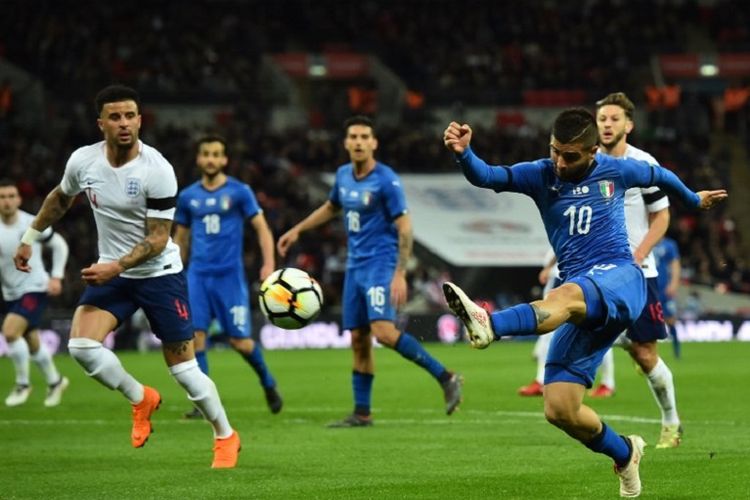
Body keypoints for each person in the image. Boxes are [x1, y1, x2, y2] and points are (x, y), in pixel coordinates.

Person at [442, 108, 726, 497]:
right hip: (584, 293)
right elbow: (488, 176)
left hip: (623, 279)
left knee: (565, 295)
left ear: (593, 151)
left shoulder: (618, 170)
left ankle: (491, 324)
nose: (560, 161)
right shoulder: (541, 173)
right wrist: (463, 153)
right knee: (559, 408)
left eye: (571, 156)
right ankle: (625, 453)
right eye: (556, 151)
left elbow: (660, 177)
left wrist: (693, 200)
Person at [13, 85, 240, 468]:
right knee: (82, 348)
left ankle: (225, 435)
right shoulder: (84, 161)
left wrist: (115, 266)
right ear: (101, 122)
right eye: (115, 117)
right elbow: (60, 197)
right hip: (114, 271)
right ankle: (141, 397)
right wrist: (30, 237)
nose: (123, 123)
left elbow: (158, 238)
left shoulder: (157, 169)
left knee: (184, 370)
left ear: (140, 119)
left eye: (130, 115)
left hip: (158, 274)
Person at [277, 115, 463, 427]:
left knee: (384, 332)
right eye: (354, 136)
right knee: (359, 340)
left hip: (381, 263)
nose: (360, 141)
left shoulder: (386, 180)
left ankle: (446, 376)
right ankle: (362, 412)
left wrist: (400, 271)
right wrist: (297, 230)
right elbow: (332, 206)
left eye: (365, 136)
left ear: (374, 143)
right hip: (355, 267)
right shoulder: (343, 176)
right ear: (346, 143)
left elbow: (404, 226)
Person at [594, 92, 683, 449]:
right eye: (602, 119)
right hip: (596, 272)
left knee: (645, 354)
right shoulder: (586, 162)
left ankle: (672, 423)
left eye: (614, 119)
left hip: (639, 272)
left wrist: (640, 253)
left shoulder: (642, 163)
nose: (607, 125)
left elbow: (662, 216)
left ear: (628, 125)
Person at [174, 135, 282, 419]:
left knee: (240, 343)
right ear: (199, 159)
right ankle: (203, 402)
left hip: (229, 278)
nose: (211, 159)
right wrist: (173, 273)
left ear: (224, 160)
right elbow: (180, 239)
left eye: (216, 154)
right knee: (195, 338)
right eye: (206, 154)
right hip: (197, 275)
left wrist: (268, 263)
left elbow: (262, 228)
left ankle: (268, 382)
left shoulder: (239, 192)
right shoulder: (188, 197)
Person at [1, 179, 70, 407]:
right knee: (31, 339)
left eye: (11, 196)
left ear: (19, 199)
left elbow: (59, 244)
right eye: (2, 197)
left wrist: (57, 276)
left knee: (10, 332)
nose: (7, 202)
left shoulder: (31, 223)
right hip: (9, 292)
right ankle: (55, 381)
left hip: (34, 287)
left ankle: (22, 384)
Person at [517, 250, 559, 397]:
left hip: (560, 278)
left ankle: (542, 381)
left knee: (547, 329)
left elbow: (563, 245)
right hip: (570, 277)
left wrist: (549, 266)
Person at [653, 236, 682, 358]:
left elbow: (675, 264)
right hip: (650, 288)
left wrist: (674, 283)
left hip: (665, 289)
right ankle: (652, 353)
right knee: (651, 322)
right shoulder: (645, 242)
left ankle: (677, 352)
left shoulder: (669, 245)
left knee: (671, 320)